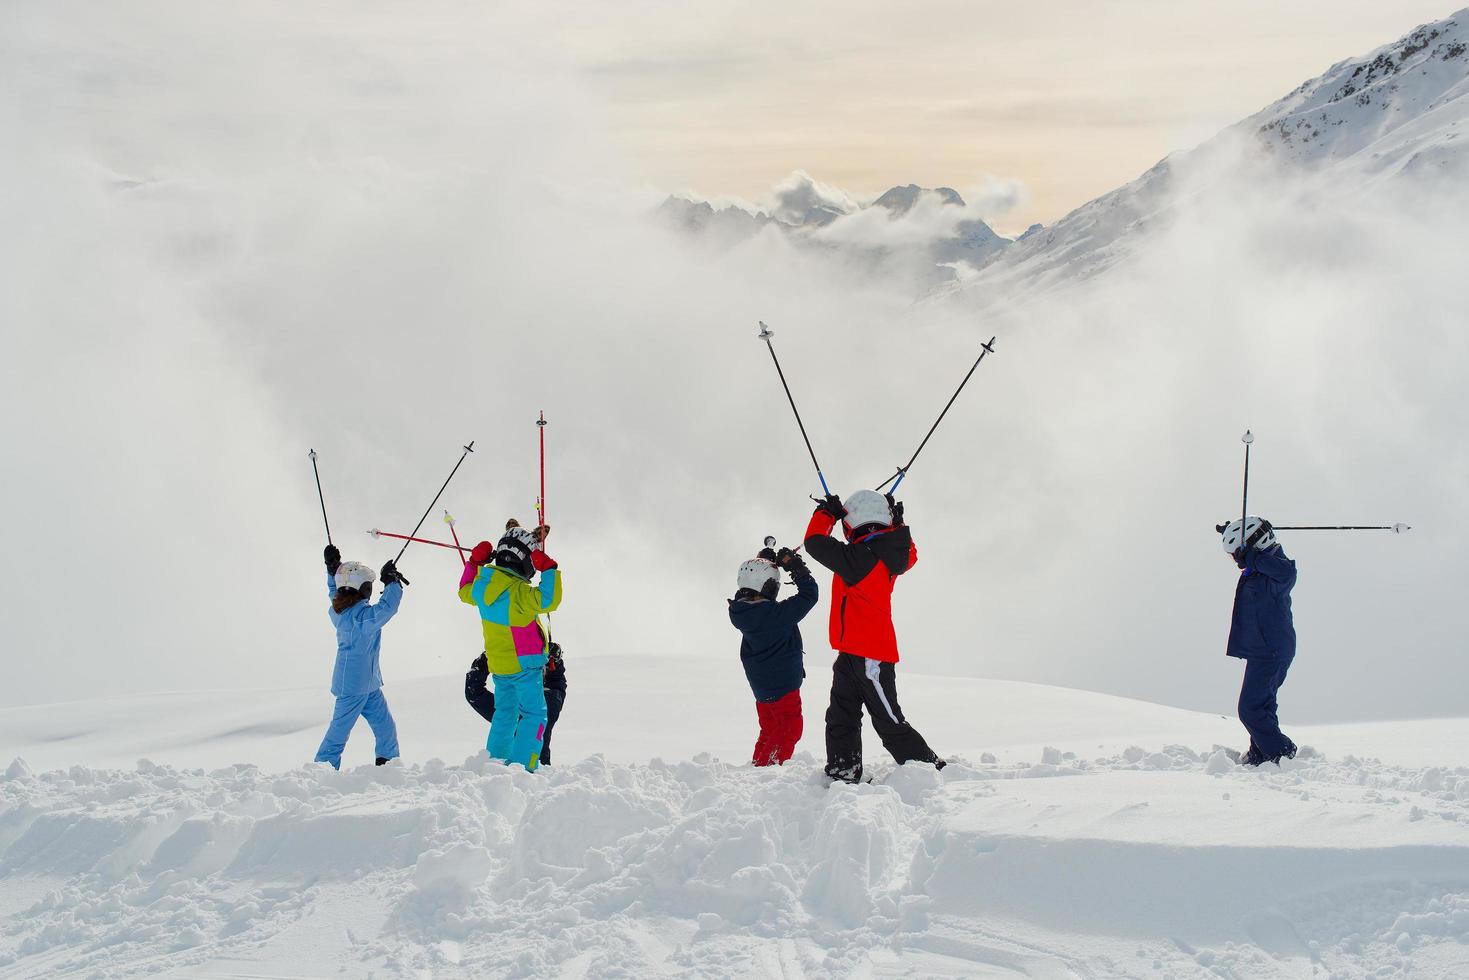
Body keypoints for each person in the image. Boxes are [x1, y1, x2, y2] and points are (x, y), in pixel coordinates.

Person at [805, 490, 944, 783]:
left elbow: (815, 543)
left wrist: (826, 515)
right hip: (852, 652)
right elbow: (909, 553)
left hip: (871, 656)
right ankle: (843, 769)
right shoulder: (886, 551)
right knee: (841, 715)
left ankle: (928, 769)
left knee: (888, 719)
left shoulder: (859, 558)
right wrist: (899, 523)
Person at [458, 523, 562, 770]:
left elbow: (464, 591)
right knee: (534, 714)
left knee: (505, 713)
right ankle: (523, 767)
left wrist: (474, 563)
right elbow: (549, 600)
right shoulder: (520, 593)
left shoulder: (483, 588)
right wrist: (549, 568)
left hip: (500, 666)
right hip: (525, 666)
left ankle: (494, 760)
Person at [316, 545, 407, 769]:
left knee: (385, 727)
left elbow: (334, 590)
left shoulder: (342, 609)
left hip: (368, 684)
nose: (371, 589)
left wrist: (333, 570)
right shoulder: (361, 619)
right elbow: (386, 609)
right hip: (353, 686)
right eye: (369, 585)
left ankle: (388, 765)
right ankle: (320, 769)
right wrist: (392, 583)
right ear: (362, 589)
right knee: (338, 733)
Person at [728, 546, 819, 766]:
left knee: (770, 728)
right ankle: (767, 770)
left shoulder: (743, 612)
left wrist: (763, 566)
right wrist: (796, 569)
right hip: (783, 685)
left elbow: (761, 602)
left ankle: (757, 767)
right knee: (789, 729)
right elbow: (810, 594)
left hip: (762, 686)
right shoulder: (777, 617)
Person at [1221, 516, 1298, 766]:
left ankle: (1281, 752)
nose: (1236, 560)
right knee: (1262, 706)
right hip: (1263, 649)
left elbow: (1283, 571)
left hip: (1272, 650)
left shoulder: (1280, 569)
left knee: (1249, 709)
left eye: (1237, 553)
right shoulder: (1259, 569)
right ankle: (1260, 753)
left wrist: (1252, 554)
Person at [464, 636, 569, 765]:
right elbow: (556, 684)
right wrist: (555, 662)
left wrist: (488, 659)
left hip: (522, 774)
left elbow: (474, 692)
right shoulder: (543, 706)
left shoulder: (507, 708)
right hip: (533, 773)